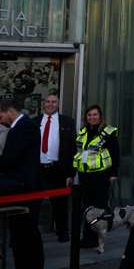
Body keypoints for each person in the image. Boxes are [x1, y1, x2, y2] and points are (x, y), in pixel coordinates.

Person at [0, 98, 44, 269]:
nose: (1, 120)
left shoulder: (25, 126)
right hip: (19, 187)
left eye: (1, 116)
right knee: (20, 233)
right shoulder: (20, 127)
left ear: (10, 111)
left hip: (25, 189)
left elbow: (10, 159)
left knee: (27, 233)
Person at [74, 104, 119, 249]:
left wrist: (113, 173)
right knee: (87, 208)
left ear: (100, 116)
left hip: (101, 176)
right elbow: (79, 153)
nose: (92, 117)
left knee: (99, 208)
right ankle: (88, 237)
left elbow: (115, 153)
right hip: (85, 176)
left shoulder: (108, 132)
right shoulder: (83, 132)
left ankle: (98, 239)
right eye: (89, 115)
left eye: (95, 115)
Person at [39, 92, 76, 242]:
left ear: (58, 104)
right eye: (48, 101)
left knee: (60, 203)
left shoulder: (67, 122)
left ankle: (62, 232)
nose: (50, 104)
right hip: (38, 168)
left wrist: (70, 173)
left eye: (54, 102)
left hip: (58, 169)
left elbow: (72, 149)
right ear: (44, 104)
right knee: (34, 202)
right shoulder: (35, 121)